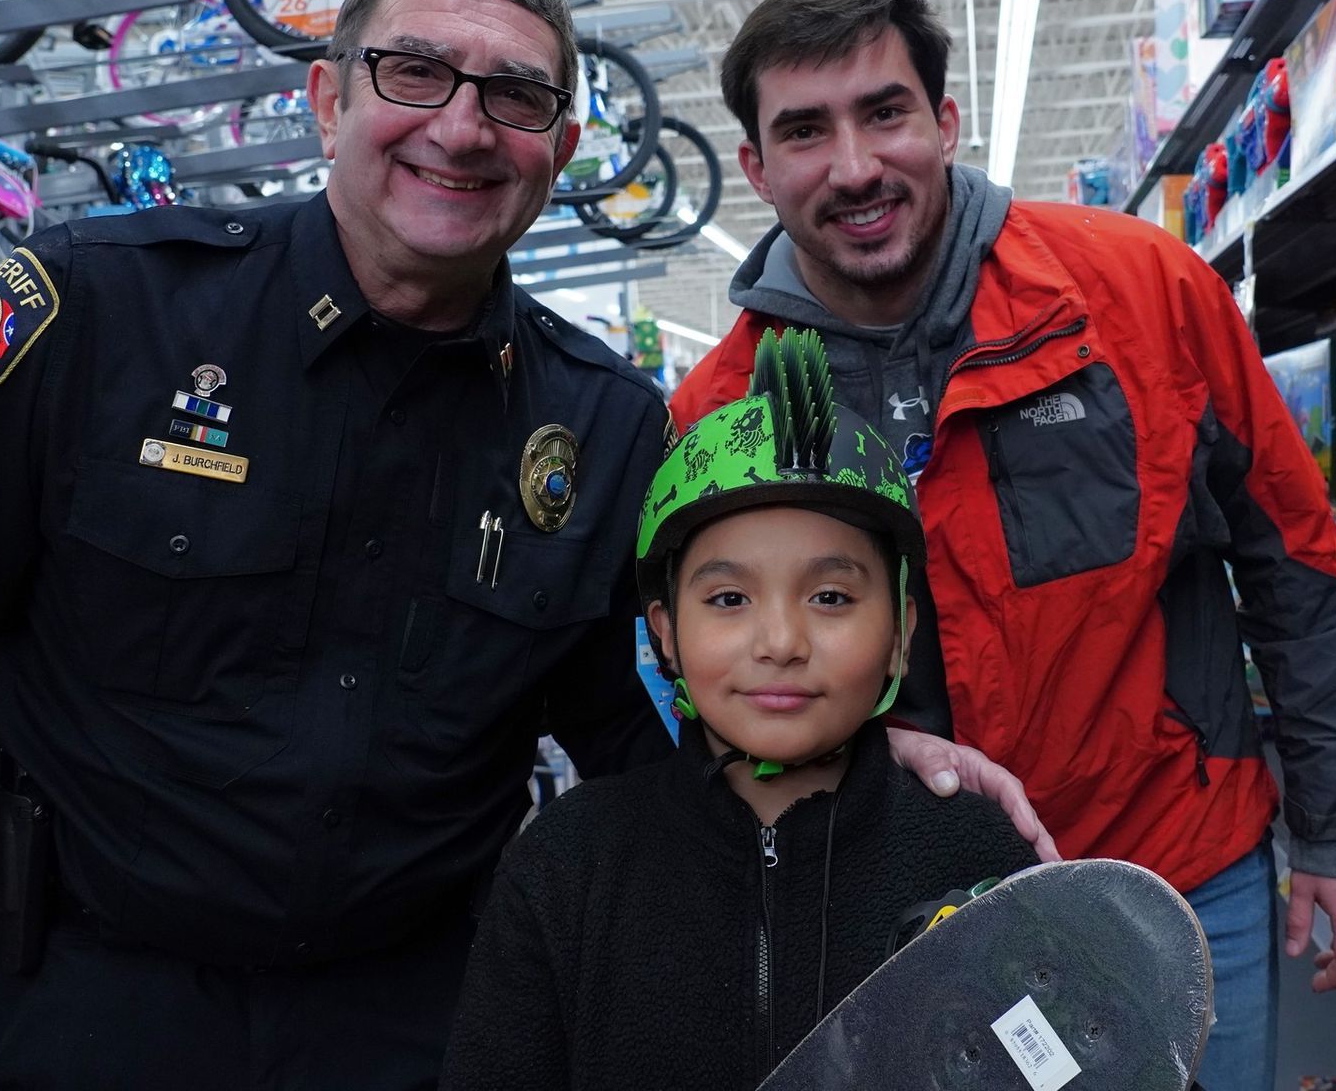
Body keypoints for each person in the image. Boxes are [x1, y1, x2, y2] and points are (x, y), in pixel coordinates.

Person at [0, 0, 1042, 1091]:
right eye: (415, 72)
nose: (462, 129)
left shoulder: (606, 427)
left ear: (560, 148)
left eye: (515, 99)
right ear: (326, 97)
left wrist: (855, 758)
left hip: (432, 1027)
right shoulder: (92, 317)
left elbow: (653, 725)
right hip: (89, 1008)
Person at [669, 0, 1336, 1091]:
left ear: (946, 123)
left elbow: (1297, 565)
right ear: (756, 167)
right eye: (804, 131)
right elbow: (702, 692)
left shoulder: (1140, 293)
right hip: (903, 928)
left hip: (1178, 870)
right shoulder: (722, 416)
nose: (854, 165)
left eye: (886, 112)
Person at [440, 327, 1039, 1090]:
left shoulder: (978, 855)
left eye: (831, 597)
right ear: (664, 634)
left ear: (900, 635)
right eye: (728, 598)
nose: (782, 641)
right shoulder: (570, 869)